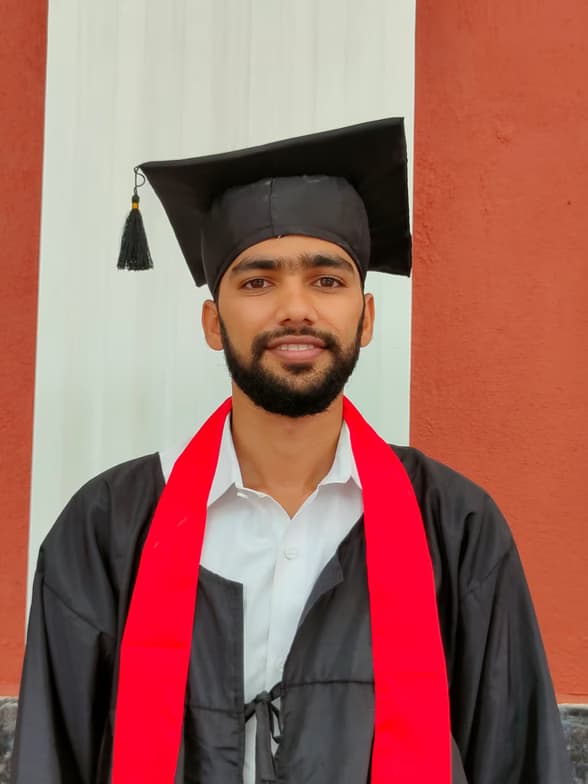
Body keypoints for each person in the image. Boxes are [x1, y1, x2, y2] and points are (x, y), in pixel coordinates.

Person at [11, 119, 571, 784]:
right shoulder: (105, 530)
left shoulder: (457, 530)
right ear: (213, 323)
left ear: (365, 316)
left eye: (327, 281)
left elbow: (518, 761)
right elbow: (51, 761)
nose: (295, 309)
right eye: (257, 282)